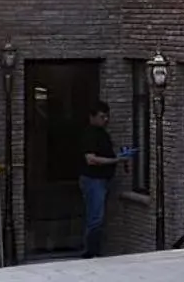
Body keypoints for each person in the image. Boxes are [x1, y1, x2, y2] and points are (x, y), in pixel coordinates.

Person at [78, 101, 122, 258]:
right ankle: (90, 253)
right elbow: (91, 159)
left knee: (97, 215)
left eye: (107, 116)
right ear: (92, 117)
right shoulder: (90, 134)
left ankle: (94, 250)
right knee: (95, 217)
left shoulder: (102, 133)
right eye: (102, 116)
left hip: (101, 180)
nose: (106, 120)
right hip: (93, 180)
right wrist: (115, 160)